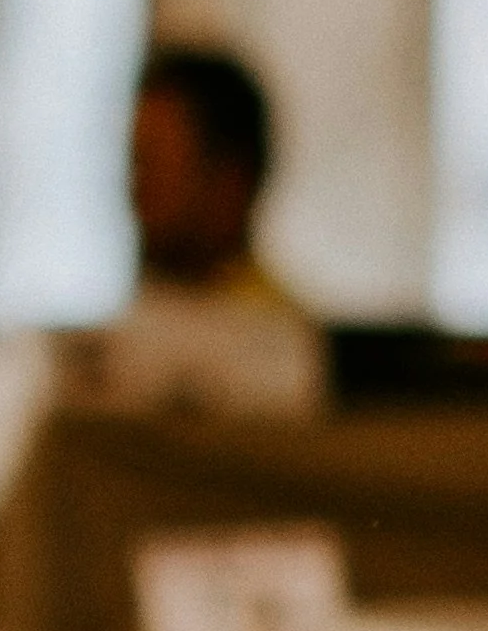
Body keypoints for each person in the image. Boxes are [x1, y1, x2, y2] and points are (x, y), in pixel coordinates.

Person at [59, 40, 324, 418]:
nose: (135, 194)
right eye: (134, 166)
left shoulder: (280, 355)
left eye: (155, 165)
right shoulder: (123, 335)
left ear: (230, 183)